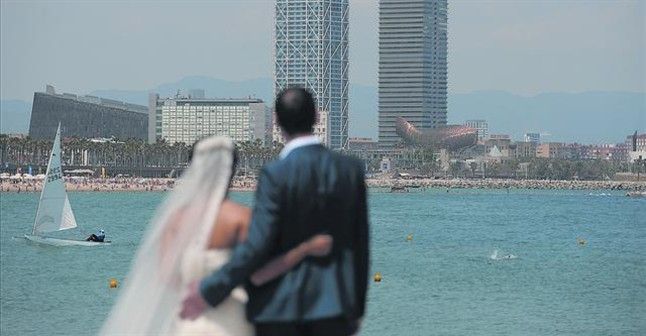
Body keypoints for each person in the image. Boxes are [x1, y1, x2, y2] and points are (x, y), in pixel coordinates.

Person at [180, 87, 370, 336]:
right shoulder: (350, 170)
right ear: (316, 117)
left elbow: (257, 246)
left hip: (279, 310)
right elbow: (360, 247)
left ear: (277, 122)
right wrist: (356, 308)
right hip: (334, 309)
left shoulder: (275, 174)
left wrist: (210, 289)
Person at [100, 136, 333, 336]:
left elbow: (166, 277)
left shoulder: (176, 220)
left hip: (188, 322)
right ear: (231, 171)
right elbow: (260, 273)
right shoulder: (240, 218)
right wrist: (303, 249)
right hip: (231, 321)